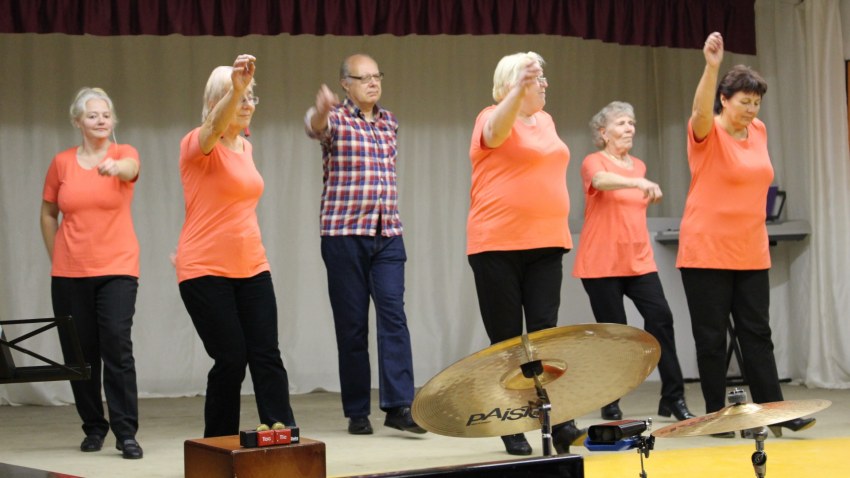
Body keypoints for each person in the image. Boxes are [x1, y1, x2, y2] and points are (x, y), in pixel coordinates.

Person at [678, 32, 815, 437]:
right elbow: (699, 109)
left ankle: (775, 411)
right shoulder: (706, 131)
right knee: (711, 338)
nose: (751, 110)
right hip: (706, 249)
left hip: (751, 249)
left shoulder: (759, 130)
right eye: (744, 102)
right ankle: (716, 416)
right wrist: (712, 67)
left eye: (756, 102)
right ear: (724, 99)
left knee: (758, 334)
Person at [466, 51, 586, 456]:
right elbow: (497, 132)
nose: (545, 84)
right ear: (511, 85)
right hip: (496, 245)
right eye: (536, 79)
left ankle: (560, 422)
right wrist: (517, 89)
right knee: (506, 342)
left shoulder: (546, 121)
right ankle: (510, 421)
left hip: (547, 243)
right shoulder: (490, 117)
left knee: (544, 335)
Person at [304, 54, 425, 436]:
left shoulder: (389, 122)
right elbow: (314, 127)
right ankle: (357, 411)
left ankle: (399, 406)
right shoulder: (336, 119)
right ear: (346, 84)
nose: (373, 83)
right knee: (352, 326)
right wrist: (321, 111)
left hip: (387, 233)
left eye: (377, 76)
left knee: (394, 317)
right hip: (344, 235)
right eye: (364, 78)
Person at [175, 54, 296, 438]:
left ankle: (282, 432)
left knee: (266, 353)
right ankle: (219, 443)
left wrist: (240, 89)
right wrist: (236, 88)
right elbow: (213, 127)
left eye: (250, 96)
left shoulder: (246, 148)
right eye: (238, 96)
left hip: (252, 266)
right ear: (216, 102)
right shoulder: (196, 144)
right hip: (204, 269)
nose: (247, 103)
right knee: (231, 357)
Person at [573, 101, 695, 423]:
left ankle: (674, 397)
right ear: (603, 132)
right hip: (601, 263)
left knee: (661, 320)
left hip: (638, 261)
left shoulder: (638, 165)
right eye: (622, 123)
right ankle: (610, 399)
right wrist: (637, 183)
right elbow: (600, 181)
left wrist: (639, 181)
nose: (629, 128)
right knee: (616, 335)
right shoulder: (594, 161)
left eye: (632, 123)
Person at [40, 87, 143, 459]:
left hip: (117, 269)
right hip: (69, 273)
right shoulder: (62, 162)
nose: (101, 120)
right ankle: (93, 427)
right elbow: (48, 213)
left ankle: (126, 432)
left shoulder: (124, 153)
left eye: (106, 115)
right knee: (80, 356)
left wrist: (115, 168)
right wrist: (58, 257)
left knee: (117, 346)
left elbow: (131, 169)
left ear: (113, 120)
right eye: (92, 115)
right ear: (78, 121)